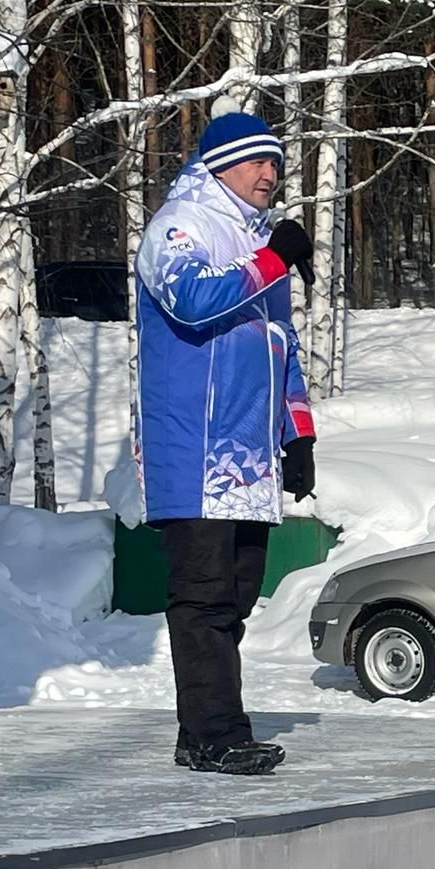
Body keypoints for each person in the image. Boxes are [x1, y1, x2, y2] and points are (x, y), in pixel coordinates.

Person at [134, 97, 316, 776]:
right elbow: (192, 300)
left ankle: (212, 730)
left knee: (234, 602)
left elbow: (280, 344)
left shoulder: (255, 239)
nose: (269, 172)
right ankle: (212, 735)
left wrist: (297, 434)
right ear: (221, 166)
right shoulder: (180, 225)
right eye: (256, 161)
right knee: (205, 597)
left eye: (275, 160)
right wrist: (273, 261)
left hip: (246, 457)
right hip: (194, 449)